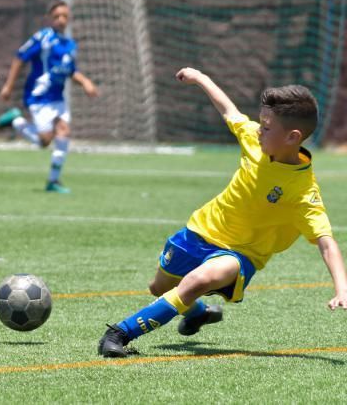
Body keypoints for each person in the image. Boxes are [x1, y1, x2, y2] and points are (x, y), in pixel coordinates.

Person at [98, 67, 347, 358]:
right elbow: (229, 111)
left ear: (292, 137)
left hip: (241, 254)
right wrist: (200, 78)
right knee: (159, 288)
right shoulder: (255, 141)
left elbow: (326, 242)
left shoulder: (304, 191)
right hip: (200, 230)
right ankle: (199, 313)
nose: (258, 129)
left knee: (198, 281)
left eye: (266, 127)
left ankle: (119, 333)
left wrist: (342, 288)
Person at [0, 0, 98, 194]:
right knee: (44, 141)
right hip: (38, 97)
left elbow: (69, 71)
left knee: (64, 132)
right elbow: (20, 57)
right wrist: (8, 86)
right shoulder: (41, 38)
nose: (61, 20)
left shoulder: (70, 44)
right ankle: (16, 121)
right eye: (57, 16)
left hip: (58, 99)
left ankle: (53, 181)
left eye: (65, 16)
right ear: (49, 19)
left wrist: (85, 82)